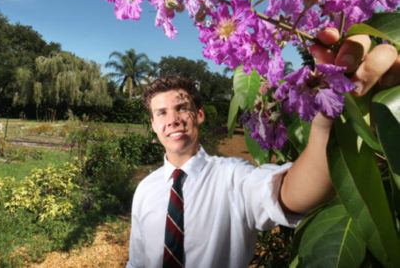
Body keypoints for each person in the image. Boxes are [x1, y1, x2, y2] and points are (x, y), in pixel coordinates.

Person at [126, 29, 400, 268]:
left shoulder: (233, 177)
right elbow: (136, 262)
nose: (172, 119)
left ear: (199, 114)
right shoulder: (145, 191)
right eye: (161, 113)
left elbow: (289, 195)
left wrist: (326, 126)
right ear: (152, 124)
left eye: (181, 108)